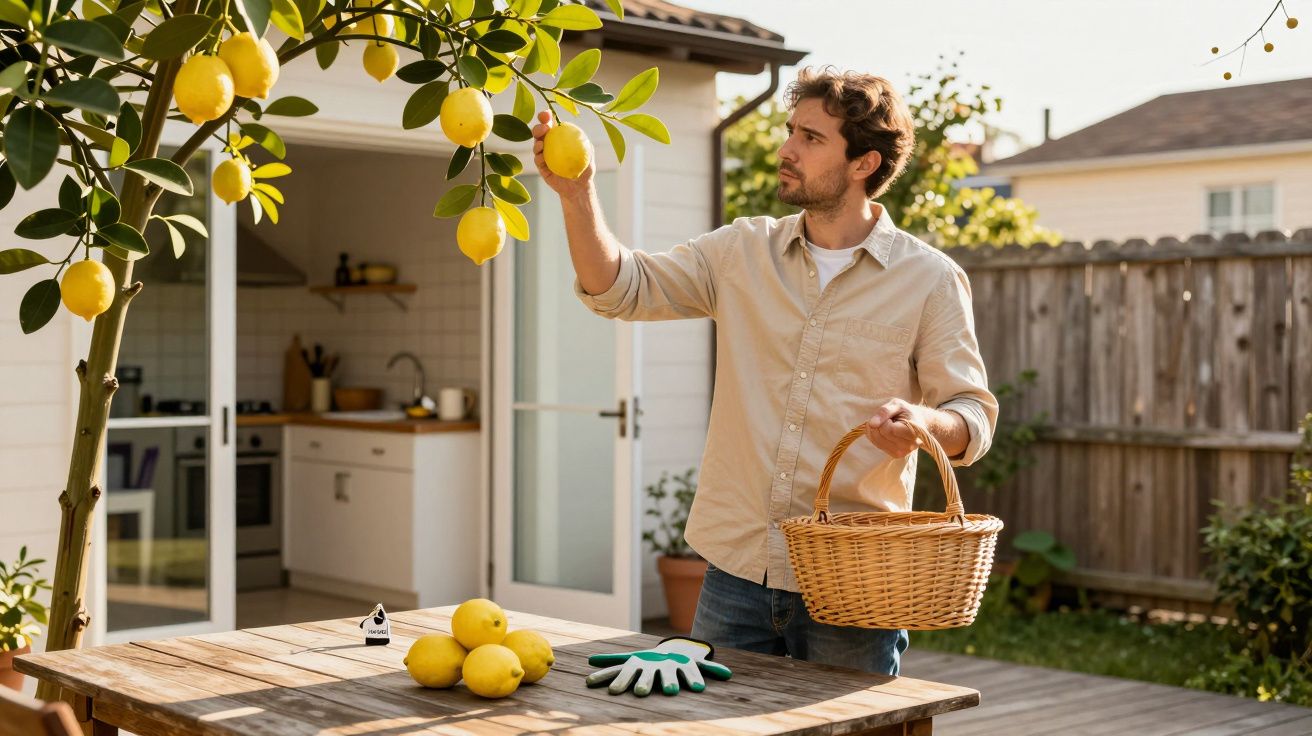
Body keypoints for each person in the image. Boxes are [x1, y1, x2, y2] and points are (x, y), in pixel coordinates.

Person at [530, 66, 998, 676]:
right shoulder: (739, 252)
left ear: (864, 163)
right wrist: (577, 194)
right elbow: (619, 287)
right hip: (735, 575)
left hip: (855, 585)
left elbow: (972, 416)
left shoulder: (929, 279)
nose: (787, 149)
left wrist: (923, 422)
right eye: (790, 131)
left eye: (811, 138)